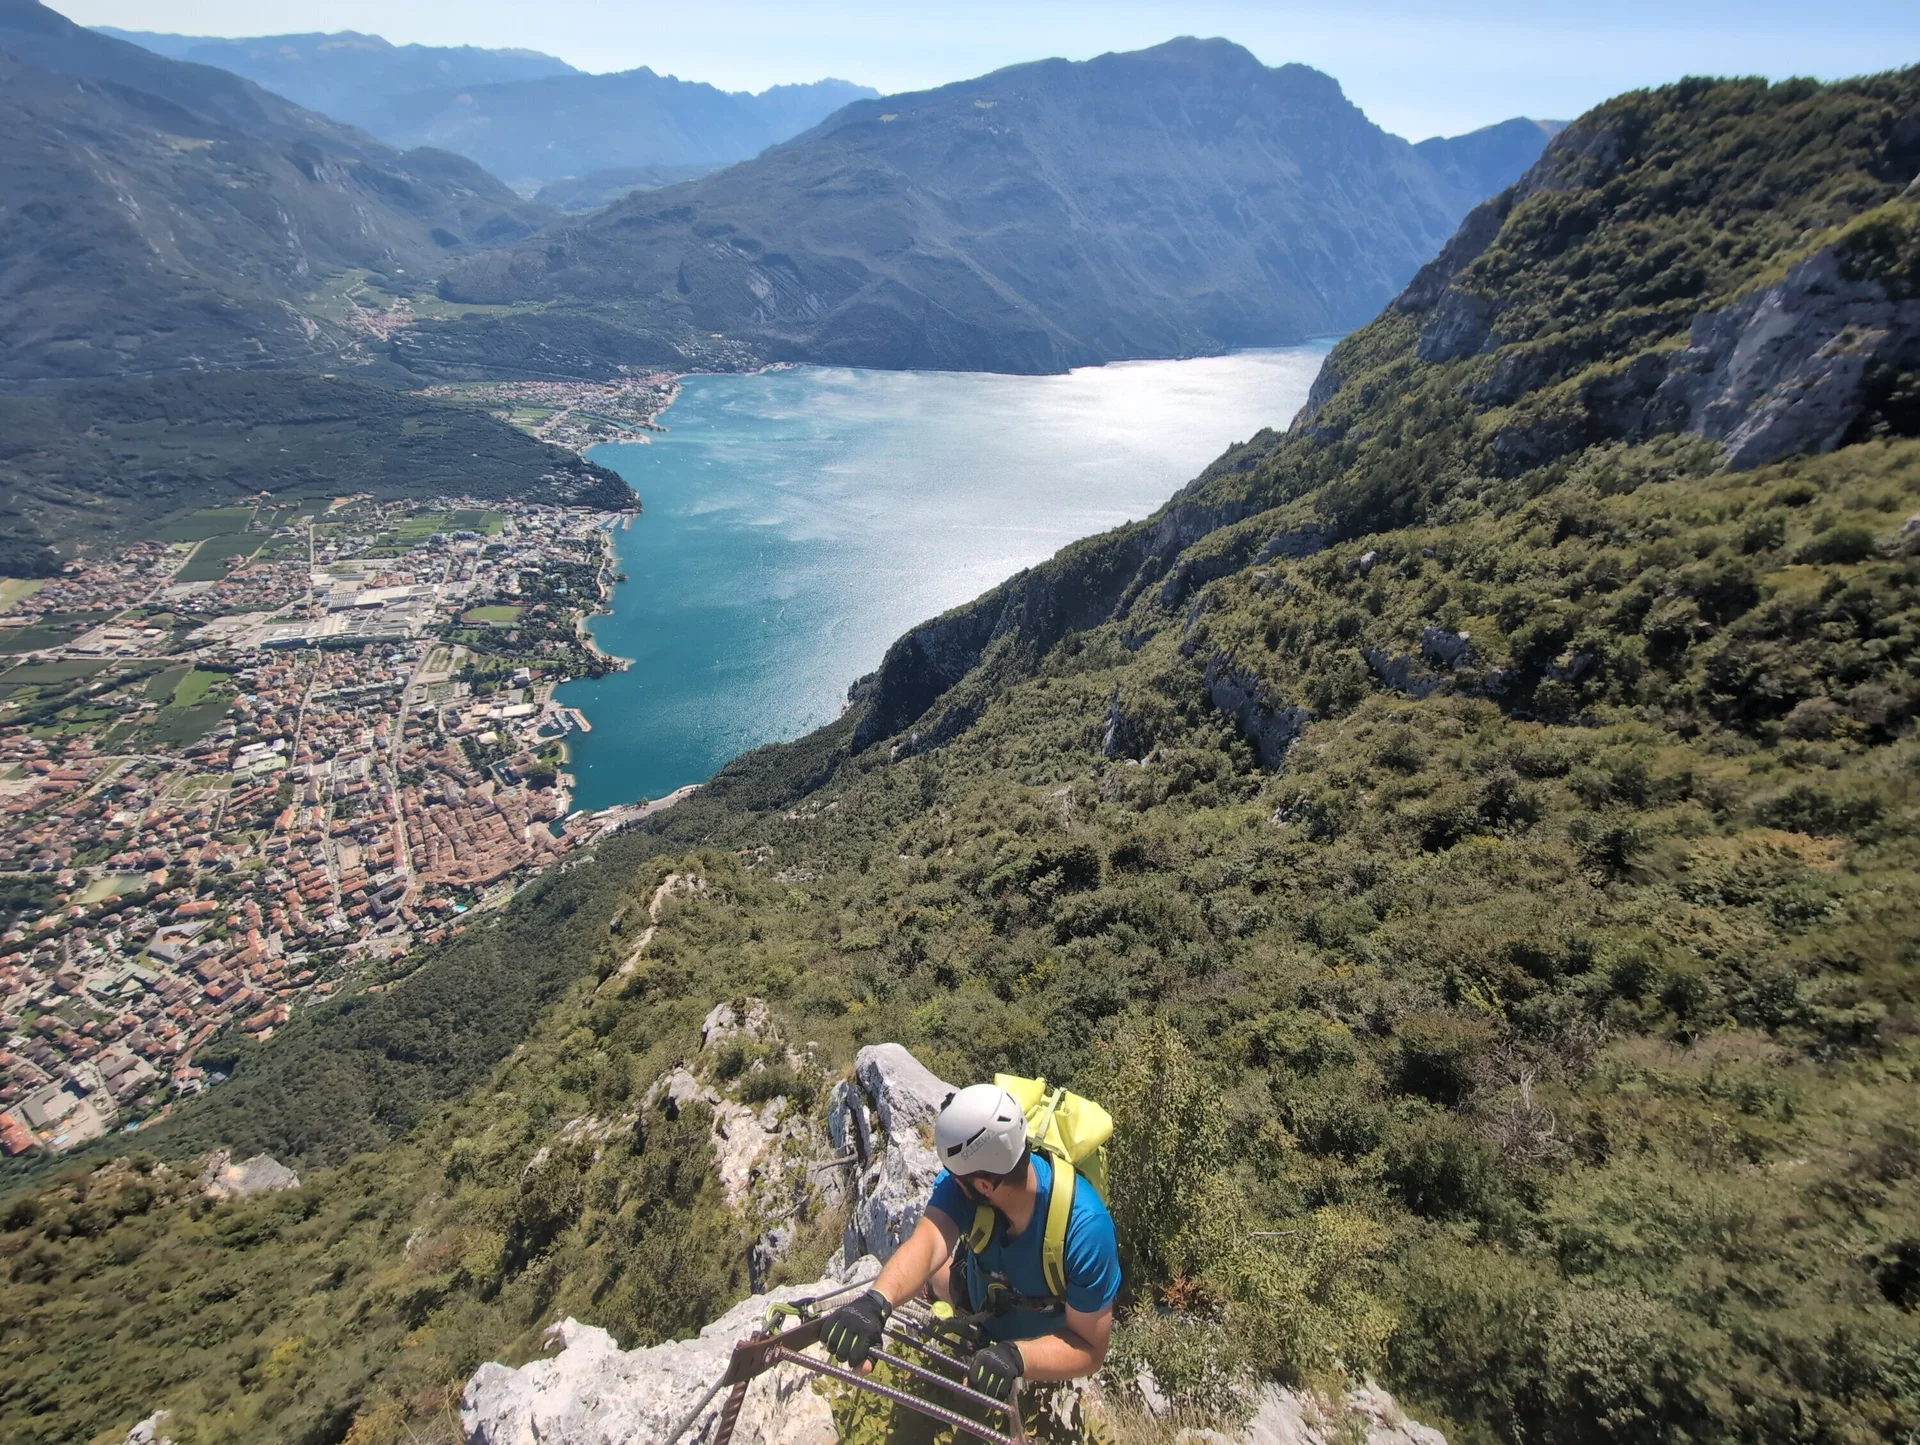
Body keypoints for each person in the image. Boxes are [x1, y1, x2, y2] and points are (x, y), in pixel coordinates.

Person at [821, 1082, 1121, 1403]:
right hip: (980, 1292)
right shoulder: (978, 1181)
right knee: (936, 1276)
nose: (949, 1180)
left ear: (983, 1184)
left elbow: (1090, 1347)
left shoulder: (1086, 1230)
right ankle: (935, 1293)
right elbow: (930, 1241)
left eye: (954, 1175)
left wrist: (1018, 1357)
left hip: (1038, 1340)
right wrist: (877, 1302)